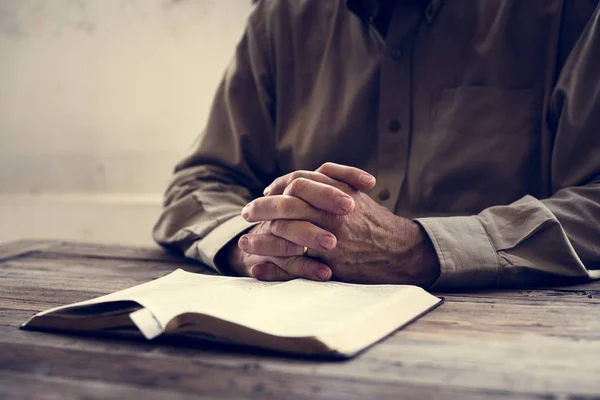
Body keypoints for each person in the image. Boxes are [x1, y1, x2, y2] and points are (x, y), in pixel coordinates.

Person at [153, 0, 600, 289]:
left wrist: (420, 250)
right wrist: (257, 243)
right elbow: (200, 183)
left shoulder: (570, 13)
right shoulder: (280, 17)